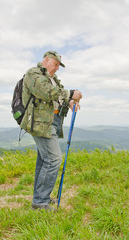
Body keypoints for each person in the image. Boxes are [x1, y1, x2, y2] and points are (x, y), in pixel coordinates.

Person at [20, 51, 82, 210]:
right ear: (46, 60)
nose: (57, 68)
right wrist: (71, 93)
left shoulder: (54, 79)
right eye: (55, 64)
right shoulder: (33, 73)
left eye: (59, 66)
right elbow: (44, 91)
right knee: (54, 158)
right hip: (41, 124)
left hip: (52, 122)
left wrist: (69, 102)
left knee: (44, 160)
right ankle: (40, 203)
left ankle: (41, 198)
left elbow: (59, 96)